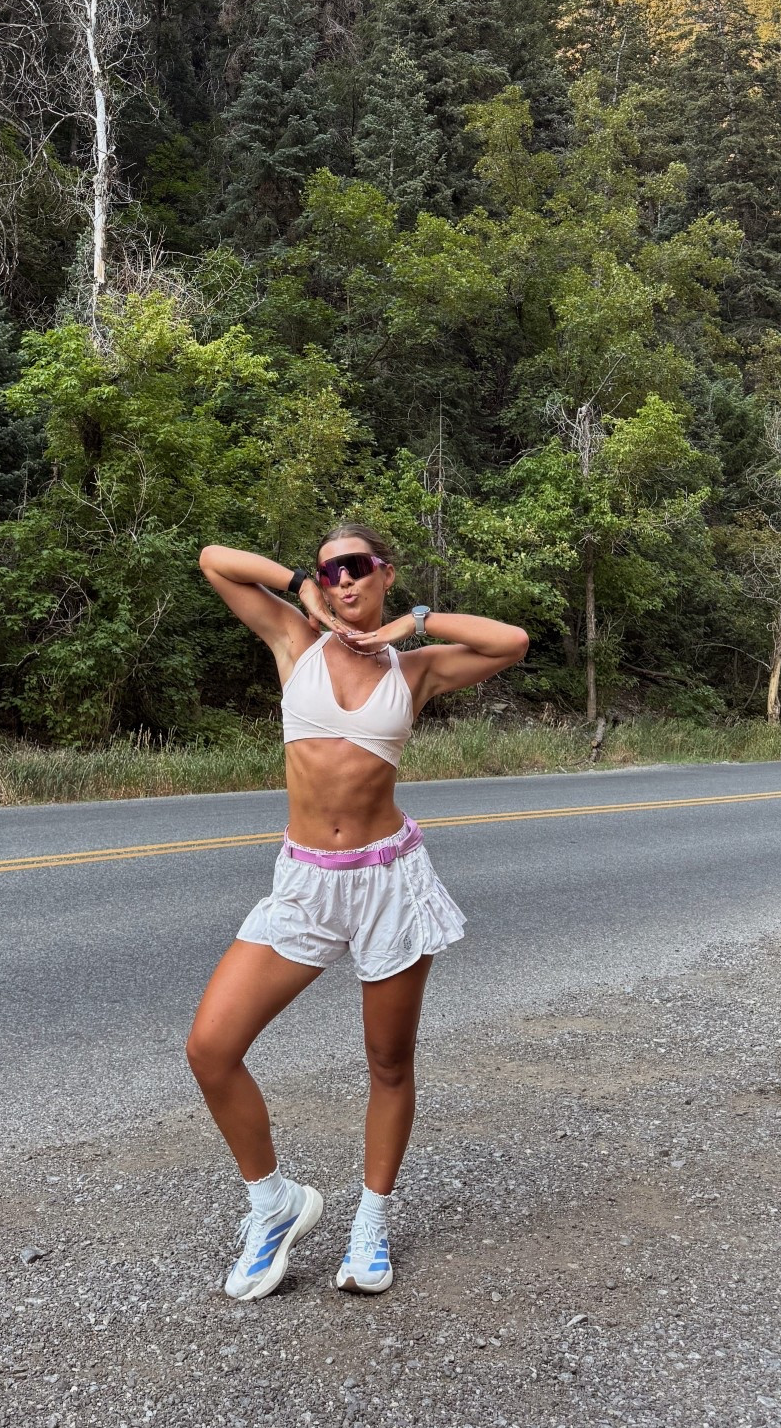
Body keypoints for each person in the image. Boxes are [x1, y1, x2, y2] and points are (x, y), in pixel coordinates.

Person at [187, 524, 528, 1301]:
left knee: (389, 1064)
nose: (343, 579)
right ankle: (274, 1205)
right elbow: (214, 561)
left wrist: (412, 624)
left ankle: (370, 1223)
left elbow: (511, 642)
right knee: (211, 1049)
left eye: (356, 567)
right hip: (305, 886)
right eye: (330, 569)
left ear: (383, 574)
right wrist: (299, 590)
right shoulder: (294, 640)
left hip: (389, 885)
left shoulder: (416, 669)